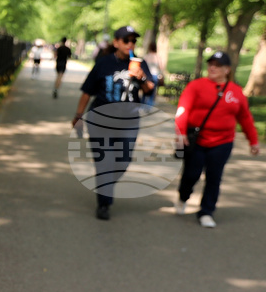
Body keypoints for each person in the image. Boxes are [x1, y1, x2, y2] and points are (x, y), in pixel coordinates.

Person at [71, 25, 155, 220]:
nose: (130, 44)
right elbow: (87, 91)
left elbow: (150, 90)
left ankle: (105, 183)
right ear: (116, 42)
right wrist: (78, 116)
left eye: (133, 41)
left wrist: (140, 76)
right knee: (105, 162)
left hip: (129, 121)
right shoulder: (104, 63)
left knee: (122, 162)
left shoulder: (139, 63)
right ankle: (104, 203)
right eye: (126, 40)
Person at [174, 50, 259, 228]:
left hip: (222, 142)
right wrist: (181, 132)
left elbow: (245, 118)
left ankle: (206, 212)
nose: (212, 68)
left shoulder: (236, 92)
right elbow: (184, 108)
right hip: (197, 140)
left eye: (218, 65)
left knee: (214, 177)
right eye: (211, 64)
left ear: (227, 69)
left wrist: (253, 141)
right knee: (191, 174)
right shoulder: (196, 86)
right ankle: (183, 196)